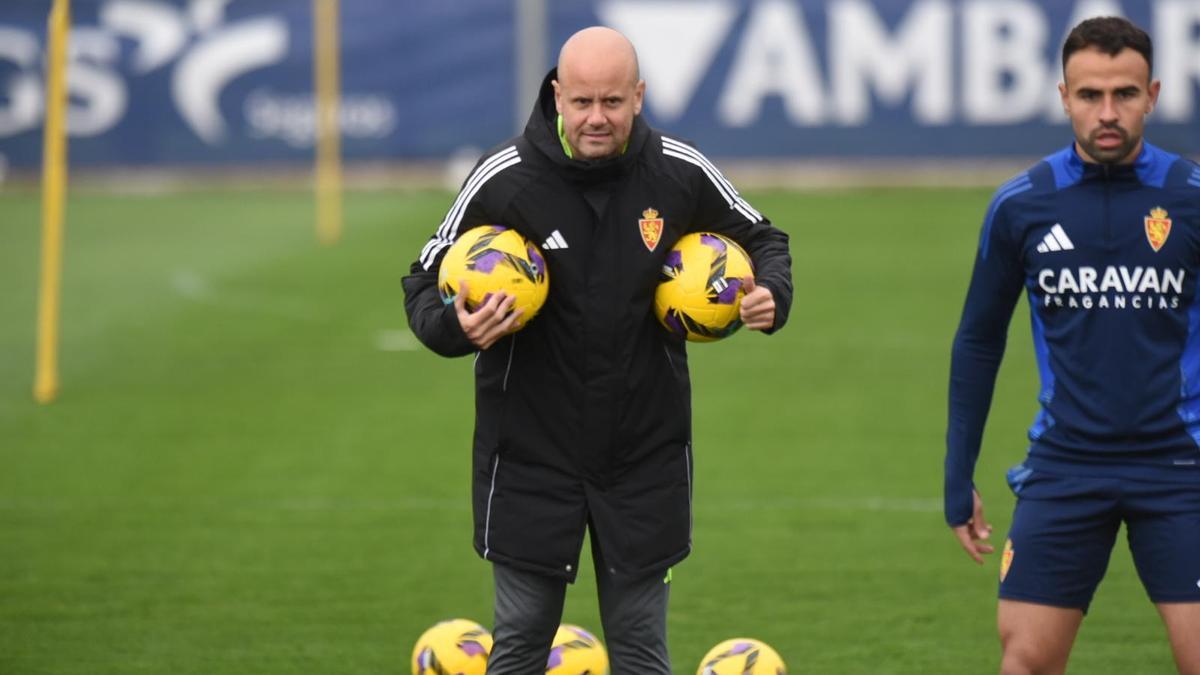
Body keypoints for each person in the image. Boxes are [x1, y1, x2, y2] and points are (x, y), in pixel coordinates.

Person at [403, 26, 792, 674]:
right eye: (581, 102)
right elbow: (422, 282)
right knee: (521, 639)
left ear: (638, 96)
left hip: (643, 454)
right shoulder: (504, 179)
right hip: (529, 454)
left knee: (641, 647)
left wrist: (771, 295)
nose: (595, 119)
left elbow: (765, 237)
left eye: (611, 102)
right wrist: (456, 327)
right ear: (556, 95)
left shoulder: (679, 171)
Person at [945, 16, 1200, 675]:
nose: (1107, 112)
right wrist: (958, 472)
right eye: (1090, 96)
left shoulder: (1190, 198)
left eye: (1125, 93)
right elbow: (978, 340)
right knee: (1024, 661)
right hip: (1065, 466)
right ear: (1064, 96)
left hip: (1181, 469)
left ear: (1155, 93)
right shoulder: (1022, 205)